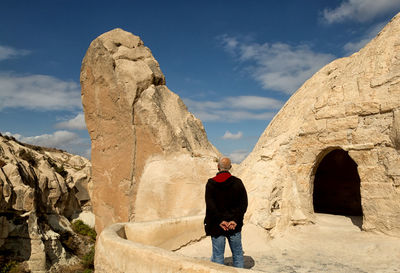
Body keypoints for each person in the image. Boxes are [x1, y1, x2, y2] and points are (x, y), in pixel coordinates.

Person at [204, 157, 248, 268]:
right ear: (231, 167)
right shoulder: (238, 183)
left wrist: (221, 220)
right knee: (238, 254)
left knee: (218, 256)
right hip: (234, 226)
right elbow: (243, 204)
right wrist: (235, 220)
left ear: (218, 167)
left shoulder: (211, 183)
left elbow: (211, 206)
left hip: (217, 226)